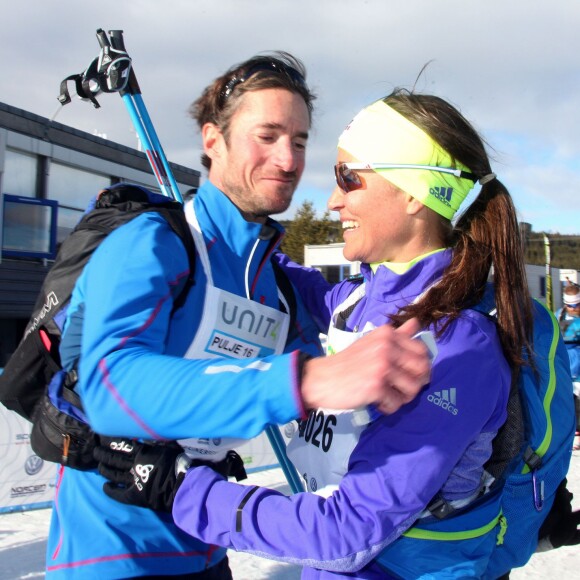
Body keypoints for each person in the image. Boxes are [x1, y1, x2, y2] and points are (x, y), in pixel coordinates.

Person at [95, 89, 544, 578]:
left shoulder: (458, 346)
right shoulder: (355, 303)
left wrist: (183, 492)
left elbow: (345, 533)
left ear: (416, 193)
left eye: (348, 178)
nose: (332, 201)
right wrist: (196, 230)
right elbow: (268, 271)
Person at [47, 54, 431, 579]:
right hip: (112, 547)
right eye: (267, 135)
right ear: (212, 140)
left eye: (299, 141)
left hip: (206, 538)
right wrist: (303, 380)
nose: (289, 159)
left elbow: (362, 324)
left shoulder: (274, 280)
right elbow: (110, 387)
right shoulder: (152, 244)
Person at [556, 282, 580, 449]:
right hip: (564, 369)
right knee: (566, 403)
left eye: (577, 305)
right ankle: (571, 434)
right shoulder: (558, 316)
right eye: (570, 305)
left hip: (578, 370)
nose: (573, 308)